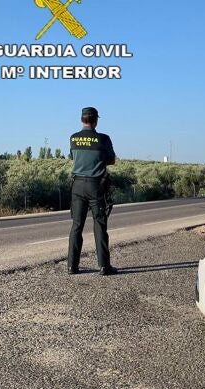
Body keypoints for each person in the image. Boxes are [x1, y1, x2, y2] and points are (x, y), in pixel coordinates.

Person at [67, 107, 118, 276]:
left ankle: (72, 266)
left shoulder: (73, 138)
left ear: (82, 120)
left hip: (77, 185)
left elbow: (72, 157)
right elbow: (111, 160)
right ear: (96, 120)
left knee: (76, 225)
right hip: (96, 186)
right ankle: (104, 266)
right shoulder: (103, 139)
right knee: (100, 225)